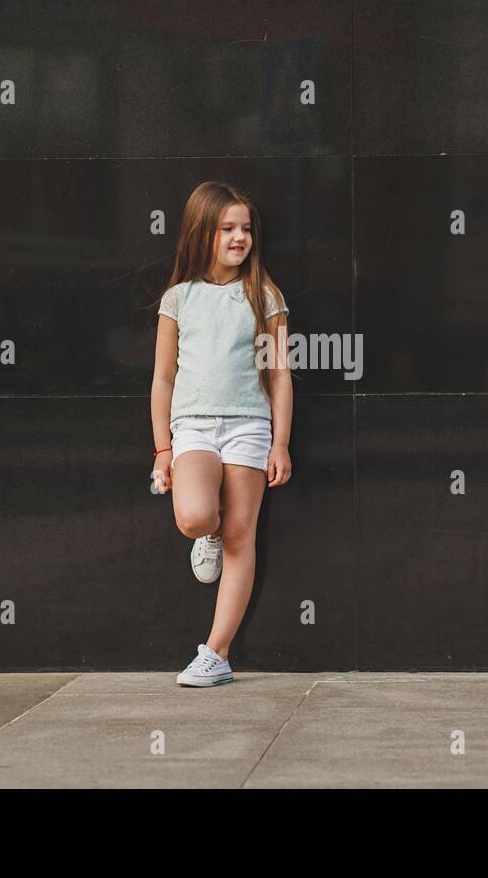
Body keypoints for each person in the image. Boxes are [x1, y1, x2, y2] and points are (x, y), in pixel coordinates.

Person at [150, 180, 293, 687]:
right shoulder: (179, 298)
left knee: (241, 536)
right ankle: (206, 533)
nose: (240, 238)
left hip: (249, 427)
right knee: (194, 516)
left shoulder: (264, 296)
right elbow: (163, 378)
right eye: (227, 228)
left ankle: (217, 653)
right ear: (201, 232)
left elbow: (278, 375)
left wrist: (279, 442)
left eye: (246, 229)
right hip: (192, 427)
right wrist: (163, 450)